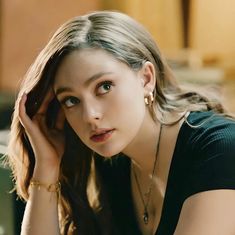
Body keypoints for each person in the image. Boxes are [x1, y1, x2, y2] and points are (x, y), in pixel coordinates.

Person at [5, 10, 235, 235]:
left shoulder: (220, 151)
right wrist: (47, 165)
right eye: (71, 100)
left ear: (146, 78)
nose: (90, 115)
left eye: (104, 86)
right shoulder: (112, 163)